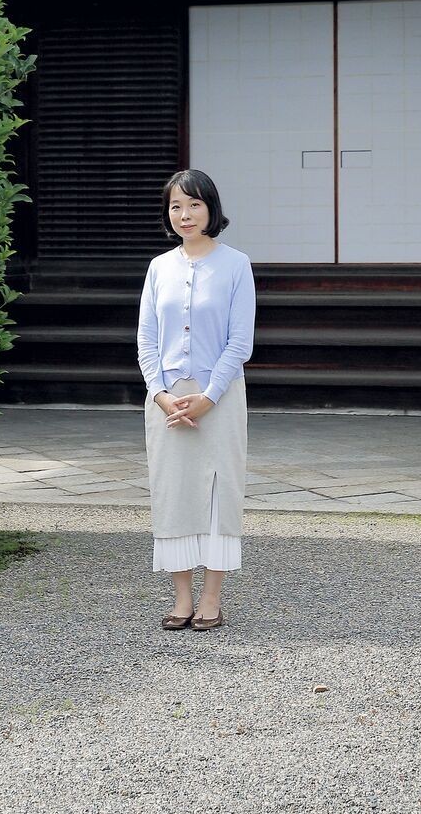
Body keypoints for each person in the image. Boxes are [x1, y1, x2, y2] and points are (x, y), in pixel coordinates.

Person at [137, 168, 256, 632]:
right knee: (173, 495)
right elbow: (146, 340)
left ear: (211, 208)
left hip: (219, 399)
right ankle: (182, 598)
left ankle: (212, 598)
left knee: (218, 495)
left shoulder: (236, 264)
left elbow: (240, 342)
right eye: (175, 206)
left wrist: (208, 396)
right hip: (167, 403)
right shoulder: (158, 267)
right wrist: (161, 395)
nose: (185, 215)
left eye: (194, 205)